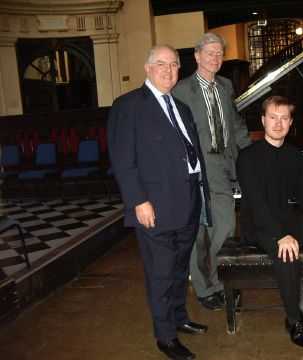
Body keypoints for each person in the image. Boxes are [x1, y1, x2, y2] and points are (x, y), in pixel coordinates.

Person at [107, 44, 211, 360]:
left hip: (188, 201)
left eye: (174, 65)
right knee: (161, 272)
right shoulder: (128, 105)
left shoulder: (181, 107)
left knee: (180, 268)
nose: (169, 71)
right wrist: (138, 201)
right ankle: (165, 337)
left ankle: (178, 318)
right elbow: (123, 159)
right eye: (162, 64)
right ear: (147, 67)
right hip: (155, 206)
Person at [236, 95, 303, 348]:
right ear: (263, 120)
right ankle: (294, 320)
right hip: (258, 224)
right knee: (288, 254)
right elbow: (257, 203)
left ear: (290, 122)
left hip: (286, 217)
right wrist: (278, 235)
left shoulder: (294, 156)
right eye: (273, 117)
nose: (278, 123)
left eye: (284, 118)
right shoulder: (247, 157)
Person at [172, 32, 252, 311]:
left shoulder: (226, 85)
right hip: (193, 168)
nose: (216, 59)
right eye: (210, 53)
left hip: (221, 166)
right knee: (196, 234)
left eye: (220, 54)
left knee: (226, 225)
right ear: (197, 56)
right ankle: (204, 288)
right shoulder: (181, 89)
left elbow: (235, 121)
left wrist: (252, 150)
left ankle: (220, 281)